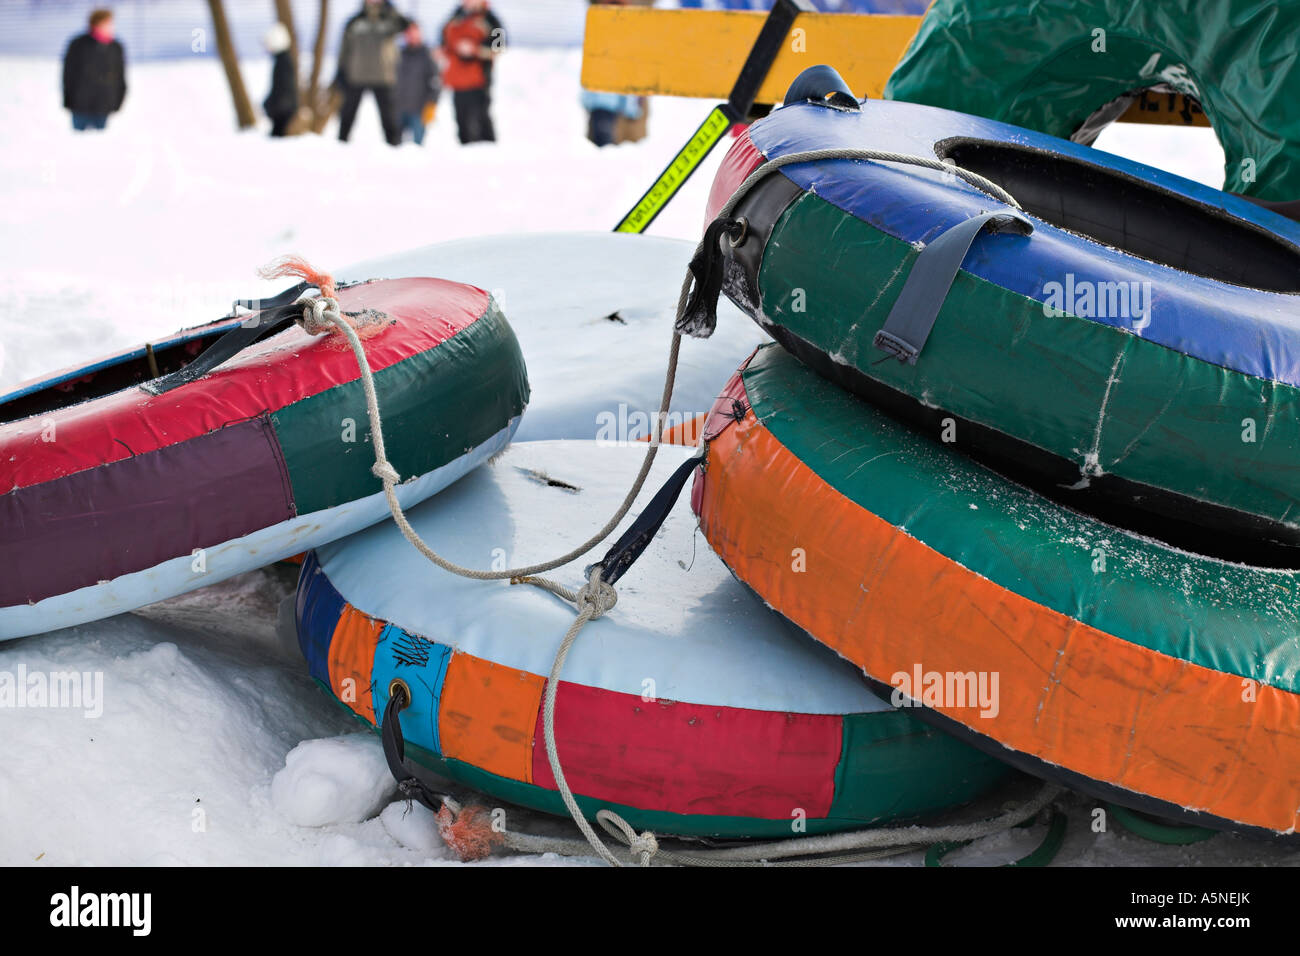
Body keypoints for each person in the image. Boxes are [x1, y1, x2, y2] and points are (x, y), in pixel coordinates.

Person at [335, 0, 410, 145]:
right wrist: (341, 72)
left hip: (383, 76)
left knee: (389, 118)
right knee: (347, 116)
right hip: (356, 75)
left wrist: (390, 9)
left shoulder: (390, 19)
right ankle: (341, 147)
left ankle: (395, 149)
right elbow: (344, 49)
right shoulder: (354, 22)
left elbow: (404, 25)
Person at [440, 0, 504, 144]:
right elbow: (443, 39)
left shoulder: (491, 19)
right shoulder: (455, 16)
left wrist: (475, 49)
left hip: (480, 79)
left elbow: (499, 46)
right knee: (461, 119)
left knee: (481, 118)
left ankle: (489, 150)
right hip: (458, 79)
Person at [62, 8, 126, 131]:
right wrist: (68, 100)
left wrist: (119, 100)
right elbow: (68, 75)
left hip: (104, 106)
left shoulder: (115, 47)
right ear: (97, 23)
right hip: (80, 105)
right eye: (108, 23)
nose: (111, 27)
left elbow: (120, 76)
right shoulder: (78, 44)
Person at [394, 23, 441, 145]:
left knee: (417, 146)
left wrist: (432, 104)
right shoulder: (399, 54)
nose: (411, 36)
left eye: (414, 33)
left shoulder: (427, 55)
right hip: (399, 108)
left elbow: (435, 82)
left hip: (419, 109)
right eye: (408, 33)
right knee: (394, 146)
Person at [262, 22, 298, 137]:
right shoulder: (282, 59)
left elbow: (282, 87)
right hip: (283, 108)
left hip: (283, 111)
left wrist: (270, 105)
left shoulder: (282, 61)